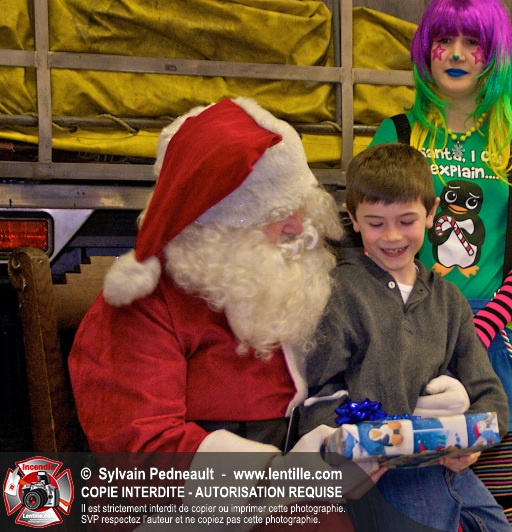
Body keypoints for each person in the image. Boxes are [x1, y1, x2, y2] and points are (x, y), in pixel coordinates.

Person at [68, 97, 365, 531]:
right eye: (277, 214)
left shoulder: (284, 281)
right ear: (219, 223)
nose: (297, 227)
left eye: (300, 207)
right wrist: (275, 477)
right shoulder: (144, 303)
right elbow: (141, 450)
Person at [368, 1, 512, 530]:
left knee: (505, 509)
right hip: (406, 341)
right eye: (444, 40)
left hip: (494, 344)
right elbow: (369, 238)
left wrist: (481, 327)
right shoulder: (397, 134)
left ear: (494, 54)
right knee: (412, 508)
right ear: (425, 50)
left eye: (472, 42)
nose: (455, 54)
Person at [298, 143, 512, 532]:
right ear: (353, 218)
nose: (393, 236)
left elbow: (489, 392)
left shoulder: (449, 299)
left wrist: (474, 444)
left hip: (448, 468)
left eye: (407, 220)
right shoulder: (336, 294)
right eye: (376, 223)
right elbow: (318, 396)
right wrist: (352, 450)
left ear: (431, 214)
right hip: (380, 476)